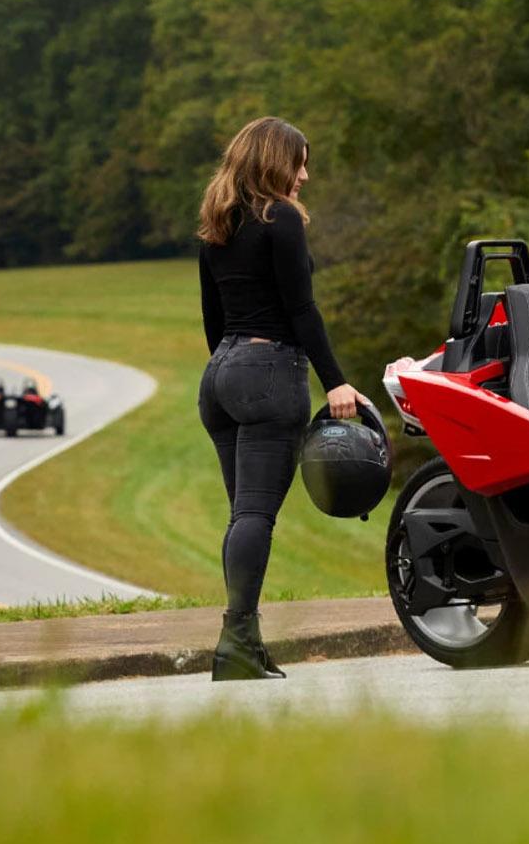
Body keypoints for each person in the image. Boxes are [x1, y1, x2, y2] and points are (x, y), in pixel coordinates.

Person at [195, 116, 365, 681]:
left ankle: (244, 640)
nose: (306, 176)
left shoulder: (217, 222)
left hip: (220, 376)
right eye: (299, 163)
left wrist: (233, 368)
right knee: (254, 515)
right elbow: (302, 311)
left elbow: (213, 321)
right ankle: (236, 643)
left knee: (241, 515)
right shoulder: (282, 219)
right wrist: (335, 380)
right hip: (270, 372)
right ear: (275, 162)